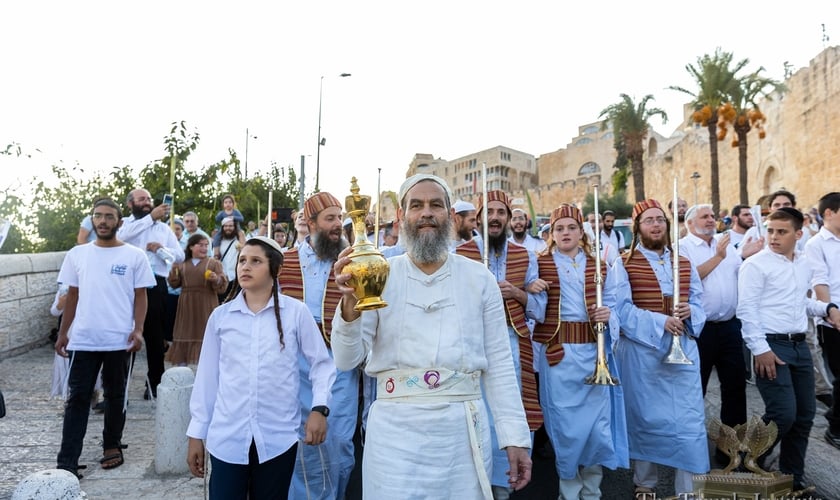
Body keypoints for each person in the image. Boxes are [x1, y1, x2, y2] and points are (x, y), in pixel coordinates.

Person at [331, 173, 532, 498]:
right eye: (417, 205)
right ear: (401, 216)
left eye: (436, 205)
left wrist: (515, 438)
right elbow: (346, 358)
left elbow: (499, 365)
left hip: (461, 436)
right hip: (394, 439)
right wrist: (350, 301)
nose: (426, 213)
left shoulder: (478, 278)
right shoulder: (380, 273)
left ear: (450, 216)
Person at [186, 236, 336, 500]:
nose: (245, 266)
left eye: (256, 261)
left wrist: (319, 408)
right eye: (242, 260)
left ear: (275, 269)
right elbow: (207, 379)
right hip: (227, 437)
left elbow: (322, 365)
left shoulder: (295, 313)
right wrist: (196, 433)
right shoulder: (221, 317)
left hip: (277, 437)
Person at [737, 207, 839, 491]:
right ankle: (747, 463)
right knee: (783, 414)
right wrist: (759, 349)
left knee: (805, 416)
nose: (774, 237)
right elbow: (746, 310)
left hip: (799, 346)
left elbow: (801, 302)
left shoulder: (803, 264)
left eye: (781, 232)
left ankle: (791, 478)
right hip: (770, 346)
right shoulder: (755, 265)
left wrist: (828, 308)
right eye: (770, 230)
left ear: (798, 233)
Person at [531, 204, 628, 499]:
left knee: (597, 428)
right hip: (559, 357)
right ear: (551, 233)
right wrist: (531, 289)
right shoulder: (541, 263)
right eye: (559, 228)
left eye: (571, 227)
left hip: (592, 352)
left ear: (580, 231)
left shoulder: (598, 264)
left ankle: (592, 491)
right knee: (565, 427)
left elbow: (613, 301)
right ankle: (569, 492)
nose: (565, 233)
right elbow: (535, 313)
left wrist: (608, 315)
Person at [55, 197, 156, 478]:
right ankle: (67, 459)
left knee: (115, 396)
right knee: (77, 399)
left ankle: (112, 444)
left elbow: (141, 296)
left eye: (109, 217)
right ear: (92, 219)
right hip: (83, 340)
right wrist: (64, 333)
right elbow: (72, 295)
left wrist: (138, 329)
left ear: (119, 222)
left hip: (119, 340)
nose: (103, 221)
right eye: (98, 216)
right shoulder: (77, 254)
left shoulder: (134, 256)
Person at [613, 199, 707, 499]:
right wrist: (659, 321)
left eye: (660, 220)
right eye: (649, 220)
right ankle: (645, 484)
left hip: (684, 351)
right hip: (644, 352)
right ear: (637, 227)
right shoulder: (622, 263)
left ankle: (688, 489)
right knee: (646, 418)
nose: (656, 225)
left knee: (688, 419)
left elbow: (699, 300)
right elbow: (620, 310)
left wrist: (692, 312)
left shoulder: (684, 261)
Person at [456, 189, 546, 499]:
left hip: (512, 343)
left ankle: (504, 483)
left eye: (501, 212)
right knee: (475, 411)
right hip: (471, 345)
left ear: (509, 218)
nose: (495, 217)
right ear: (478, 218)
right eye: (489, 212)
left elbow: (540, 307)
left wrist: (518, 294)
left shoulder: (525, 255)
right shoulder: (460, 254)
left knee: (507, 409)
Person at [278, 191, 358, 500]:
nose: (338, 224)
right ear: (310, 223)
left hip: (340, 361)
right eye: (330, 218)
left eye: (340, 217)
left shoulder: (353, 260)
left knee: (339, 441)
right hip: (296, 365)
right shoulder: (282, 261)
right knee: (302, 441)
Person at [681, 204, 746, 435]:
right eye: (704, 216)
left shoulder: (724, 243)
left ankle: (732, 444)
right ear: (690, 223)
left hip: (729, 326)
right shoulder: (683, 247)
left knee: (736, 385)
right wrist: (719, 257)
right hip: (700, 330)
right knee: (697, 386)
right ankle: (693, 439)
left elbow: (740, 275)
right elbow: (688, 278)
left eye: (711, 216)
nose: (711, 220)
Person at [117, 188, 184, 400]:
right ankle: (119, 385)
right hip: (128, 285)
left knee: (155, 337)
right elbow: (121, 237)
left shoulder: (163, 229)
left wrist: (162, 249)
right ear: (130, 204)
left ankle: (155, 384)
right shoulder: (126, 224)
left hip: (156, 285)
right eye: (141, 199)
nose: (146, 202)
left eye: (148, 199)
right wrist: (149, 218)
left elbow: (180, 256)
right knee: (125, 334)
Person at [804, 192, 840, 449]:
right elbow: (819, 281)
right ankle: (835, 426)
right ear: (829, 213)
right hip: (833, 319)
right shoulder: (815, 244)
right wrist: (832, 312)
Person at [166, 234, 227, 366]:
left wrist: (216, 278)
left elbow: (222, 284)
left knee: (206, 334)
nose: (204, 248)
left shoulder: (213, 263)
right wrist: (173, 271)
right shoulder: (182, 264)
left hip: (206, 303)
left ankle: (207, 370)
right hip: (186, 304)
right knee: (184, 332)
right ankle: (182, 370)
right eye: (200, 245)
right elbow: (174, 284)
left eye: (206, 245)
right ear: (191, 247)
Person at [214, 217, 244, 302]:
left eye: (231, 226)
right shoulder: (218, 243)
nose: (228, 228)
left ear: (235, 227)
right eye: (226, 226)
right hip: (223, 279)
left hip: (236, 280)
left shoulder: (239, 242)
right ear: (222, 228)